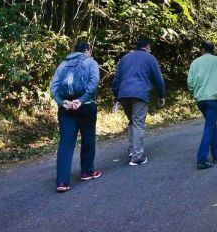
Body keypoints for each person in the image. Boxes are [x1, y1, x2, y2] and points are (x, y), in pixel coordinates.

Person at [49, 40, 102, 193]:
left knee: (65, 143)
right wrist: (81, 100)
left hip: (65, 108)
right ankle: (87, 172)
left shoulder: (63, 64)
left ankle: (62, 182)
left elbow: (54, 86)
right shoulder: (90, 62)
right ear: (87, 50)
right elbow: (94, 82)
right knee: (88, 137)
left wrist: (61, 101)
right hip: (85, 106)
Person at [112, 37, 166, 166]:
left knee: (132, 121)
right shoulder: (150, 58)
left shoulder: (125, 58)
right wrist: (161, 95)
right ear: (147, 47)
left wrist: (115, 95)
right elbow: (158, 78)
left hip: (123, 94)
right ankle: (137, 157)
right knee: (138, 124)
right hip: (140, 94)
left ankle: (132, 150)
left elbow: (116, 78)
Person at [187, 40, 217, 170]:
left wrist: (195, 94)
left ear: (202, 49)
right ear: (213, 50)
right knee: (210, 125)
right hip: (214, 98)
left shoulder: (195, 62)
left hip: (200, 99)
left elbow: (190, 82)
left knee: (211, 124)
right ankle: (202, 159)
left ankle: (216, 155)